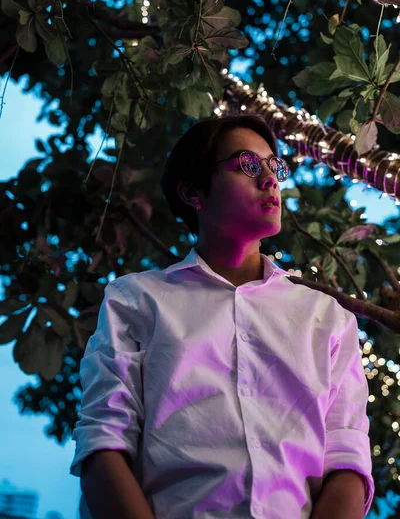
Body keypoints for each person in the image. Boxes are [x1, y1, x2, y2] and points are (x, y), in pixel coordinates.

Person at [70, 113, 375, 519]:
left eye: (274, 165)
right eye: (248, 165)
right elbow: (102, 443)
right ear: (194, 191)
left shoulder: (326, 314)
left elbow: (347, 460)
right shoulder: (136, 300)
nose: (270, 179)